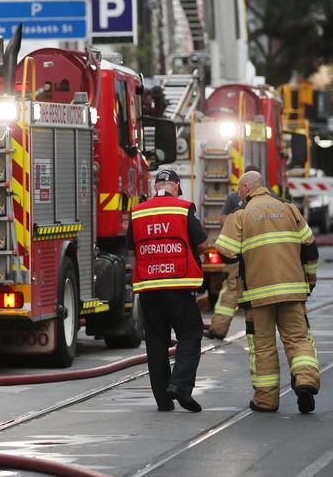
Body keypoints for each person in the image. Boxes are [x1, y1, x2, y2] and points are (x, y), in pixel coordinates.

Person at [215, 169, 320, 414]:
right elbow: (310, 248)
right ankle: (305, 382)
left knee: (263, 347)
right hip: (293, 291)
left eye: (240, 190)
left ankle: (266, 400)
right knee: (298, 340)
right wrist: (310, 279)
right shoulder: (289, 209)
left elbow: (225, 251)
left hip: (257, 295)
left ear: (246, 189)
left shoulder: (240, 215)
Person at [129, 168, 207, 412]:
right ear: (176, 186)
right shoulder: (183, 209)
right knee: (190, 333)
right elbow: (202, 243)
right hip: (178, 285)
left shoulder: (138, 212)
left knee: (155, 341)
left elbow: (132, 245)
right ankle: (180, 386)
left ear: (156, 186)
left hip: (149, 288)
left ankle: (163, 400)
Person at [206, 164, 262, 340]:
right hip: (261, 256)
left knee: (231, 289)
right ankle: (257, 330)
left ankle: (218, 329)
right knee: (257, 290)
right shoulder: (271, 201)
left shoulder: (233, 199)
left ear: (245, 185)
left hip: (237, 254)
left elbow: (223, 220)